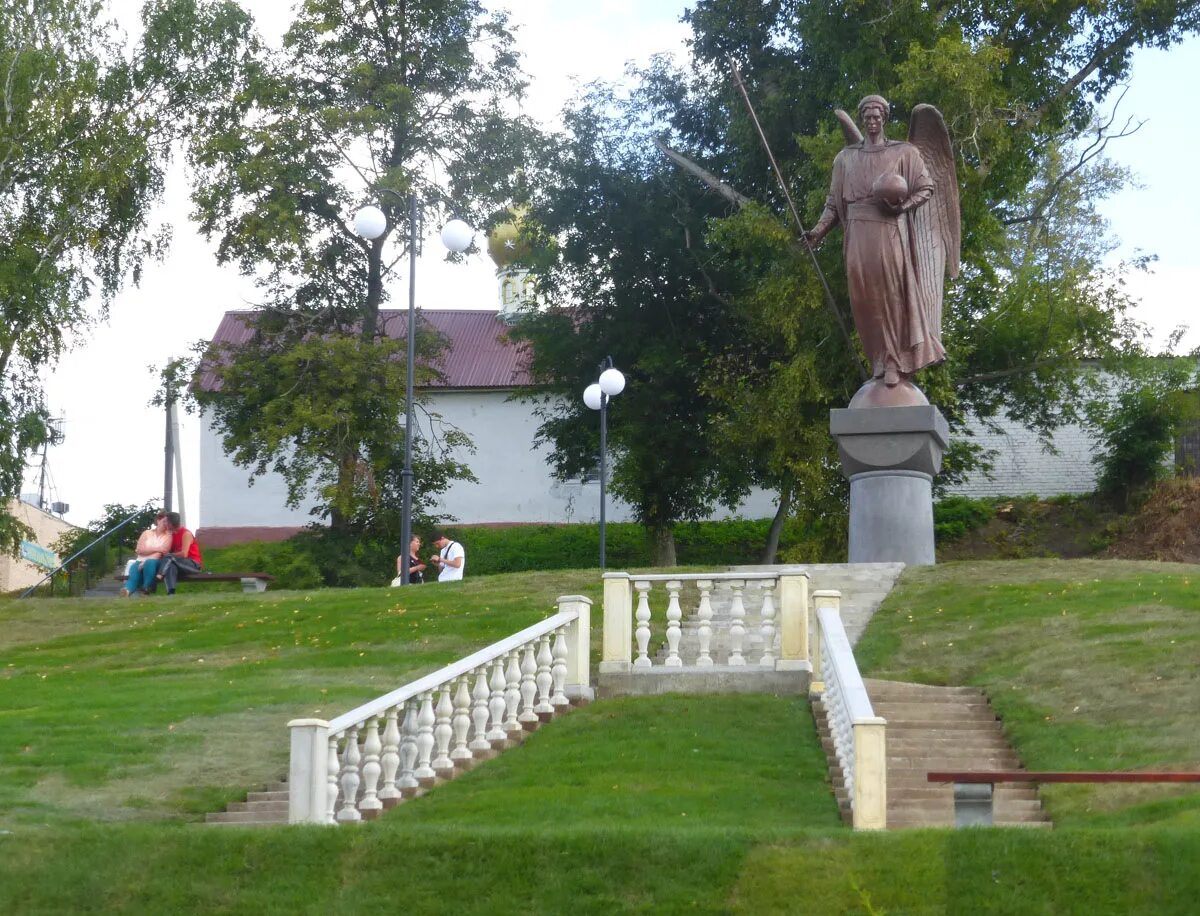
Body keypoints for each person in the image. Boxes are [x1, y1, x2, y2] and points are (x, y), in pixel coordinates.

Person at [806, 95, 956, 394]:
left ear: (884, 118)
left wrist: (902, 207)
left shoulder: (904, 152)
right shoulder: (845, 158)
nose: (872, 122)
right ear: (863, 119)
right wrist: (817, 232)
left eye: (877, 116)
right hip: (857, 234)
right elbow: (833, 205)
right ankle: (877, 359)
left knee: (889, 296)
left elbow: (926, 187)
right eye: (868, 117)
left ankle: (893, 361)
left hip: (888, 230)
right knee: (864, 299)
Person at [120, 513, 172, 596]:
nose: (166, 524)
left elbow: (163, 552)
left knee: (150, 563)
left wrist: (147, 556)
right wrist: (157, 548)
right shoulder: (146, 533)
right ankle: (127, 590)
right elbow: (139, 550)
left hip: (156, 561)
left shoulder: (168, 536)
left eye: (167, 522)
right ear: (158, 521)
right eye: (164, 521)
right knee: (134, 570)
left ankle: (146, 589)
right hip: (140, 560)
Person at [158, 512, 203, 595]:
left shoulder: (186, 534)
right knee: (170, 565)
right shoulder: (171, 535)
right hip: (179, 564)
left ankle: (160, 573)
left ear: (171, 523)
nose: (165, 524)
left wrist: (168, 555)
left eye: (166, 522)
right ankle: (171, 593)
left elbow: (184, 554)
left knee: (169, 557)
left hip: (193, 565)